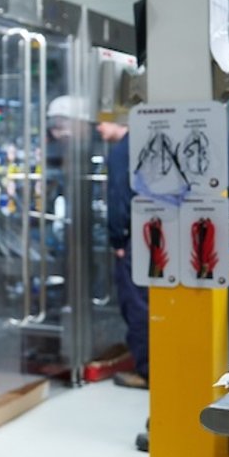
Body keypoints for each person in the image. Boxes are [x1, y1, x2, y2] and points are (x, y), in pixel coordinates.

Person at [100, 115, 149, 391]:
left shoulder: (122, 151)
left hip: (132, 237)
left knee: (136, 304)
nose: (98, 127)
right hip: (152, 234)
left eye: (102, 120)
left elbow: (118, 197)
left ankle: (146, 370)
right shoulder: (143, 143)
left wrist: (117, 239)